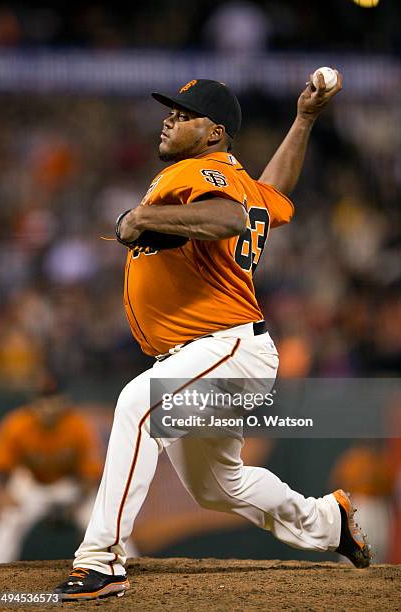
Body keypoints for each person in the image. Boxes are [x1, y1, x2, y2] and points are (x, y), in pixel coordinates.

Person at [55, 74, 372, 602]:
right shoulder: (232, 179)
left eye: (183, 116)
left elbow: (228, 218)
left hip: (225, 346)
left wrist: (142, 216)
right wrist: (305, 120)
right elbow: (273, 194)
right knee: (218, 485)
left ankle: (102, 560)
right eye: (171, 112)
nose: (168, 120)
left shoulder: (200, 172)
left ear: (213, 134)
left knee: (138, 403)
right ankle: (328, 522)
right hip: (217, 354)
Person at [0, 381, 103, 563]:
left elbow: (90, 475)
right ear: (33, 404)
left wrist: (75, 504)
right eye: (43, 401)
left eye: (54, 400)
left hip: (69, 487)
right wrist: (5, 494)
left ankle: (130, 564)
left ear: (65, 402)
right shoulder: (18, 424)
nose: (48, 407)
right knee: (9, 519)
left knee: (100, 520)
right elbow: (3, 468)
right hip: (32, 485)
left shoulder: (78, 426)